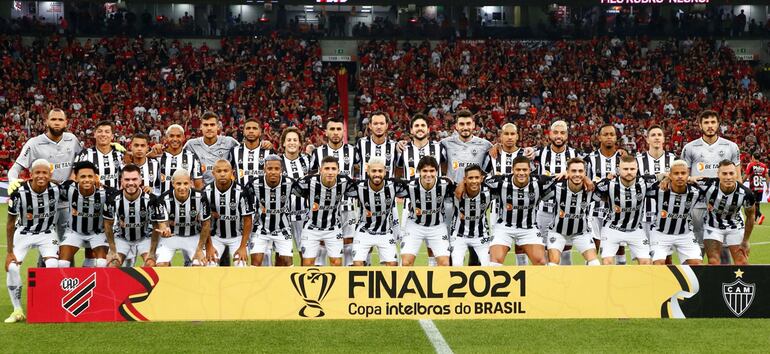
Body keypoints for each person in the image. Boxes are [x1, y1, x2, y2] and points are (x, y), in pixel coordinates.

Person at [8, 109, 82, 268]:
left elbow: (82, 162)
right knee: (47, 246)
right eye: (53, 119)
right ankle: (44, 284)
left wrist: (72, 179)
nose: (57, 122)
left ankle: (68, 283)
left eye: (60, 120)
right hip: (43, 206)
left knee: (66, 245)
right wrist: (13, 181)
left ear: (66, 122)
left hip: (66, 204)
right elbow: (15, 168)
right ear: (47, 122)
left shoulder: (72, 140)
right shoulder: (34, 143)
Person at [5, 159, 62, 323]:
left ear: (50, 175)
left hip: (47, 233)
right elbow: (10, 224)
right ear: (30, 175)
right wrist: (9, 252)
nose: (41, 176)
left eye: (45, 172)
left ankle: (46, 304)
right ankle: (17, 310)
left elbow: (75, 186)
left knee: (52, 266)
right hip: (23, 232)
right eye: (37, 172)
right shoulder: (19, 193)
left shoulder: (56, 189)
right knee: (12, 268)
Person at [681, 110, 741, 263]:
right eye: (706, 122)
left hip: (723, 207)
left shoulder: (731, 147)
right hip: (698, 206)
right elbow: (681, 178)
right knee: (697, 251)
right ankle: (698, 286)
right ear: (700, 125)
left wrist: (737, 204)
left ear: (718, 124)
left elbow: (738, 179)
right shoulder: (690, 148)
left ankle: (722, 285)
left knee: (723, 251)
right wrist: (690, 178)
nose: (710, 126)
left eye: (713, 122)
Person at [440, 110, 492, 266]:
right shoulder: (445, 143)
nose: (465, 127)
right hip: (451, 199)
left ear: (474, 125)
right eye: (461, 124)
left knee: (475, 246)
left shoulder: (485, 145)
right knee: (450, 244)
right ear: (456, 126)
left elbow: (493, 163)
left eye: (468, 123)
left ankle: (472, 280)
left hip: (474, 201)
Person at [71, 120, 125, 267]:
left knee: (113, 250)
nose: (103, 134)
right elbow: (73, 178)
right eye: (100, 131)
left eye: (107, 131)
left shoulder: (120, 155)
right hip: (90, 208)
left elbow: (128, 175)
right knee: (91, 250)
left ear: (112, 135)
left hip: (113, 208)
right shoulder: (85, 154)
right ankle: (88, 282)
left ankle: (109, 283)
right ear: (94, 134)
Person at [398, 114, 447, 267]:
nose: (420, 129)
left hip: (436, 208)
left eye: (423, 126)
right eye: (416, 126)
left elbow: (444, 171)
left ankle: (432, 284)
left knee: (434, 251)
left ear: (428, 129)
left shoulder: (438, 148)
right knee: (406, 258)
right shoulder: (402, 149)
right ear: (411, 130)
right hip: (410, 208)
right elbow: (397, 173)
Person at [353, 111, 401, 266]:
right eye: (376, 123)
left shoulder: (394, 146)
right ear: (370, 126)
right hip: (364, 204)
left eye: (382, 123)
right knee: (363, 253)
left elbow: (401, 169)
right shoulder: (361, 144)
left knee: (389, 253)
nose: (379, 126)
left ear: (387, 126)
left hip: (389, 205)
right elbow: (351, 164)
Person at [309, 118, 358, 266]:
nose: (335, 132)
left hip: (347, 204)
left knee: (348, 241)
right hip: (324, 206)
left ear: (343, 131)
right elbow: (311, 176)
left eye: (338, 129)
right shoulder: (318, 152)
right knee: (323, 242)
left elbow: (360, 170)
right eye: (332, 129)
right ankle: (321, 275)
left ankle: (347, 275)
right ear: (326, 132)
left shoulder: (353, 151)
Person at [487, 156, 552, 266]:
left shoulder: (540, 182)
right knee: (494, 263)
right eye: (518, 170)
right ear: (512, 170)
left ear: (530, 170)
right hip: (504, 227)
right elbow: (478, 182)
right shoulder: (500, 182)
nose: (521, 173)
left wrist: (584, 179)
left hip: (529, 228)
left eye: (525, 170)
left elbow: (564, 181)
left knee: (541, 263)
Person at [593, 155, 658, 265]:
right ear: (618, 170)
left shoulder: (645, 182)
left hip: (635, 229)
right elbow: (591, 193)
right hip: (612, 228)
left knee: (647, 263)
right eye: (625, 169)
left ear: (637, 169)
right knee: (607, 262)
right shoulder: (608, 184)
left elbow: (664, 177)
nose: (629, 172)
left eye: (632, 169)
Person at [533, 120, 580, 265]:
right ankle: (547, 284)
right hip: (544, 210)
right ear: (549, 134)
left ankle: (567, 285)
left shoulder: (575, 154)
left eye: (562, 133)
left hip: (567, 211)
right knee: (544, 252)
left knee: (566, 252)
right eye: (556, 132)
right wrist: (496, 146)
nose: (559, 136)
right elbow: (515, 153)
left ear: (567, 135)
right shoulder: (539, 153)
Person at [293, 156, 354, 266]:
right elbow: (291, 190)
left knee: (336, 263)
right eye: (326, 169)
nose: (330, 172)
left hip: (333, 228)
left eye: (333, 169)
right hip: (311, 228)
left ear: (338, 171)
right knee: (307, 263)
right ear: (320, 170)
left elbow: (362, 192)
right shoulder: (308, 181)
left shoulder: (344, 181)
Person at [345, 157, 406, 266]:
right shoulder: (359, 187)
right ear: (368, 171)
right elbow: (337, 189)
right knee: (357, 264)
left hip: (385, 233)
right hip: (364, 232)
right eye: (373, 171)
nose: (377, 174)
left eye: (380, 171)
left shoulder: (394, 186)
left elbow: (414, 189)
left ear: (385, 172)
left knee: (392, 265)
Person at [104, 164, 164, 268]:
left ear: (140, 180)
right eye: (127, 179)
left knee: (151, 265)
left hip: (144, 238)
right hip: (121, 238)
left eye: (134, 179)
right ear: (121, 181)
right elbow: (107, 225)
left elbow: (156, 227)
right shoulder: (112, 200)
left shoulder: (152, 200)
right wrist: (113, 250)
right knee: (112, 265)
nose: (131, 183)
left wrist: (152, 253)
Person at [541, 158, 599, 265]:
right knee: (553, 265)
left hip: (581, 233)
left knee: (595, 264)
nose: (577, 174)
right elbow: (538, 182)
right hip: (557, 232)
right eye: (573, 171)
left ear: (585, 173)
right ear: (567, 172)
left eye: (580, 171)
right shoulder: (556, 186)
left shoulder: (591, 188)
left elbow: (609, 185)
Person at [400, 156, 455, 266]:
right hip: (415, 225)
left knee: (445, 264)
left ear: (436, 171)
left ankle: (438, 283)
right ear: (419, 171)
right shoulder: (410, 185)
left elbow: (460, 191)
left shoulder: (446, 184)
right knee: (406, 263)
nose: (428, 174)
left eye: (432, 171)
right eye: (425, 171)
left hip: (437, 226)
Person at [58, 161, 115, 268]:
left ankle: (94, 283)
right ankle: (69, 284)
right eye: (83, 176)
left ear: (95, 177)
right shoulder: (68, 188)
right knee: (62, 263)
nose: (87, 179)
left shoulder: (106, 192)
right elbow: (50, 184)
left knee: (102, 263)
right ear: (76, 178)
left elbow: (123, 194)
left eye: (90, 176)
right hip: (74, 232)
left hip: (97, 233)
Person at [489, 123, 530, 266]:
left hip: (523, 209)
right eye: (506, 134)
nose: (509, 137)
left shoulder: (526, 155)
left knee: (521, 248)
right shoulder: (492, 155)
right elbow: (483, 177)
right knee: (496, 250)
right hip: (498, 210)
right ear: (500, 136)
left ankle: (523, 279)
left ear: (518, 136)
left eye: (513, 134)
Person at [154, 170, 213, 266]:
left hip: (193, 236)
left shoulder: (201, 197)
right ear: (173, 183)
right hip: (171, 237)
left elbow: (206, 225)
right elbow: (162, 223)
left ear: (191, 183)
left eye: (185, 183)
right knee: (161, 265)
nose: (182, 187)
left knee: (200, 264)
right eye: (178, 183)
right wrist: (165, 230)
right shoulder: (162, 199)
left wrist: (199, 250)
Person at [701, 160, 755, 265]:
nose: (728, 177)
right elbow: (684, 180)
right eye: (724, 173)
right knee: (713, 262)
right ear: (718, 175)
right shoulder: (708, 185)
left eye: (731, 173)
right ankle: (716, 282)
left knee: (742, 262)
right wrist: (666, 178)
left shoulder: (746, 193)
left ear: (736, 174)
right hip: (713, 227)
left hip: (735, 227)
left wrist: (746, 240)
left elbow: (751, 216)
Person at [636, 125, 677, 263]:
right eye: (653, 135)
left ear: (664, 139)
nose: (657, 137)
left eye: (659, 134)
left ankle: (671, 283)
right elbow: (636, 183)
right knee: (644, 257)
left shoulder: (673, 159)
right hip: (643, 215)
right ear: (647, 139)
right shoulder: (638, 160)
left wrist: (669, 177)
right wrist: (660, 177)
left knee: (667, 257)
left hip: (666, 214)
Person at [650, 160, 703, 265]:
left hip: (685, 234)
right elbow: (636, 183)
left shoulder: (696, 191)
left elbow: (717, 182)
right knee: (659, 264)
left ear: (688, 175)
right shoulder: (659, 189)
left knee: (697, 265)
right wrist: (662, 177)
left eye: (683, 173)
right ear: (670, 175)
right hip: (661, 234)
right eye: (676, 173)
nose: (680, 176)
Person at [203, 160, 254, 267]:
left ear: (232, 172)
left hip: (237, 237)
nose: (222, 174)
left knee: (241, 265)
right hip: (215, 237)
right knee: (209, 265)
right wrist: (209, 246)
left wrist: (243, 246)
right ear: (213, 173)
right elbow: (204, 222)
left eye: (226, 171)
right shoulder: (206, 192)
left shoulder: (242, 192)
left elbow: (248, 220)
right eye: (219, 171)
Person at [587, 124, 624, 265]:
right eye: (605, 134)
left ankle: (620, 279)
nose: (609, 137)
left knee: (619, 246)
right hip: (595, 208)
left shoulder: (623, 159)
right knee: (594, 246)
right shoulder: (590, 158)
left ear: (616, 138)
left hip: (618, 208)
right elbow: (585, 181)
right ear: (599, 137)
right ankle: (592, 277)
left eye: (612, 134)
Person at [250, 155, 296, 266]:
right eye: (270, 169)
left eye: (277, 169)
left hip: (283, 229)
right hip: (260, 229)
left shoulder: (290, 183)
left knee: (287, 263)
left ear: (282, 170)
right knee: (255, 264)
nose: (273, 172)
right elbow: (242, 198)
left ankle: (282, 283)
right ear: (264, 169)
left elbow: (307, 192)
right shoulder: (254, 183)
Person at [450, 165, 493, 266]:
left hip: (481, 236)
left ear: (481, 178)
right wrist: (460, 184)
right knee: (456, 265)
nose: (474, 181)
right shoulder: (453, 190)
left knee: (488, 265)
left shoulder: (490, 190)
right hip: (458, 236)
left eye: (477, 178)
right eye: (470, 178)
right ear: (464, 179)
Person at [184, 112, 240, 186]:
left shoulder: (229, 142)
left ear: (218, 127)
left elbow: (244, 152)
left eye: (212, 125)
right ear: (201, 127)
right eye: (206, 125)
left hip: (223, 189)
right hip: (200, 191)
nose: (209, 128)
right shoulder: (191, 144)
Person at [280, 127, 311, 252]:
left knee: (305, 253)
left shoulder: (308, 160)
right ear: (283, 143)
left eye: (295, 140)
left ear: (299, 144)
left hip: (304, 214)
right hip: (282, 215)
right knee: (282, 255)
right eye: (289, 140)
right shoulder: (277, 162)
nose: (292, 142)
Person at [158, 124, 204, 195]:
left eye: (178, 136)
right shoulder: (158, 156)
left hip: (186, 202)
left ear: (183, 138)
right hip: (164, 203)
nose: (175, 139)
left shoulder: (192, 157)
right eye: (172, 136)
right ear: (166, 138)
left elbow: (198, 185)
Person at [744, 153, 768, 225]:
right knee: (757, 203)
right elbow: (767, 177)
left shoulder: (751, 165)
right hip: (760, 187)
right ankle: (755, 220)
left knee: (752, 204)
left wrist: (741, 183)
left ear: (753, 157)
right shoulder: (763, 166)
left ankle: (760, 215)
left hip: (753, 187)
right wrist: (768, 188)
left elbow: (746, 175)